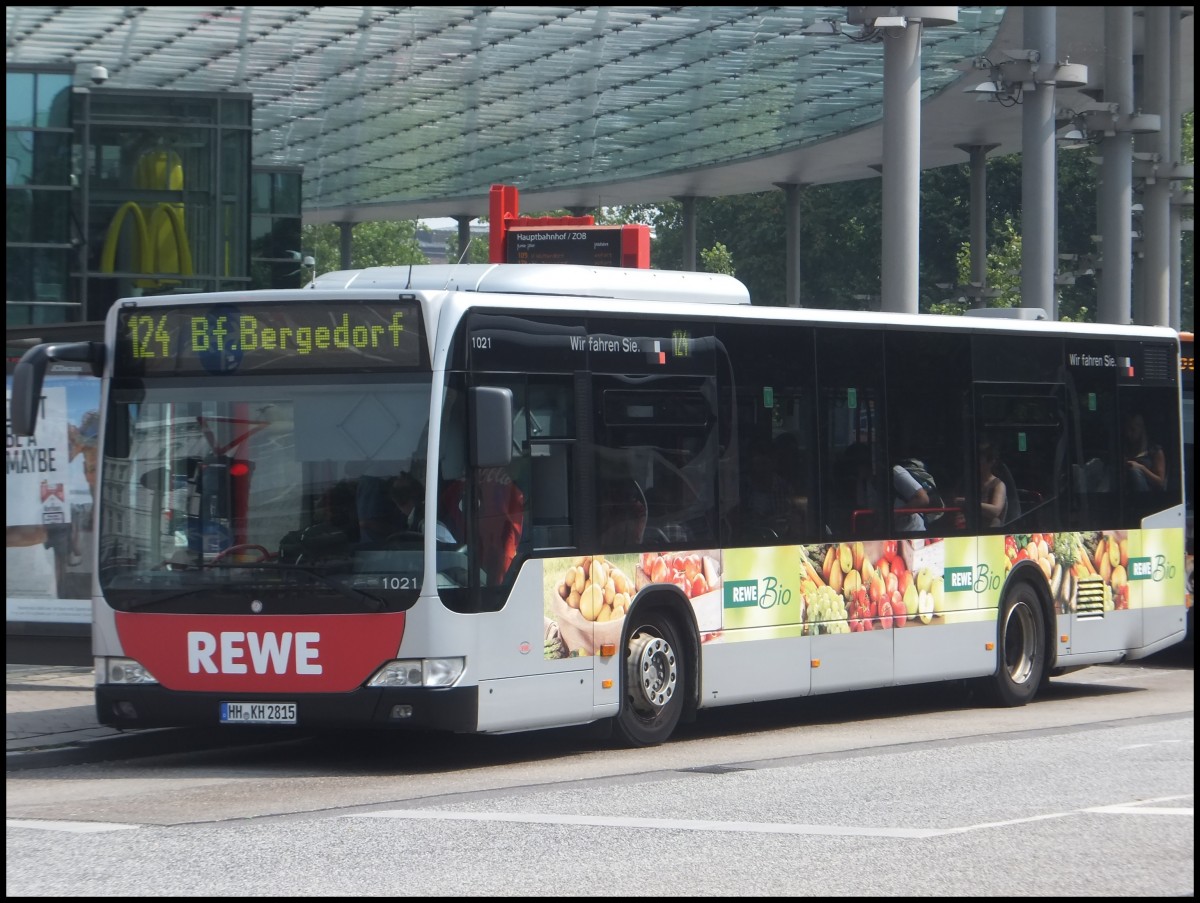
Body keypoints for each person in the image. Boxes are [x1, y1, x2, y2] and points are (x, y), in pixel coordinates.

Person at [1122, 412, 1167, 491]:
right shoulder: (1124, 448)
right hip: (1125, 490)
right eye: (1127, 429)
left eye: (1132, 429)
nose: (1128, 433)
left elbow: (1160, 482)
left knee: (1134, 472)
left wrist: (1141, 468)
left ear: (1141, 429)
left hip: (1147, 495)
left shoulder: (1155, 451)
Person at [975, 440, 1008, 527]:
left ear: (991, 462)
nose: (976, 464)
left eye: (980, 460)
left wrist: (968, 503)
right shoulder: (967, 483)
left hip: (990, 533)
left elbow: (995, 511)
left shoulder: (998, 485)